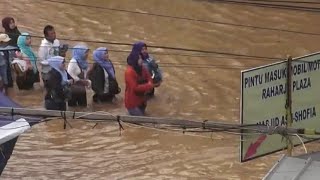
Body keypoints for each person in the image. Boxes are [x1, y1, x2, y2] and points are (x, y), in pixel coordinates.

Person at [125, 49, 159, 116]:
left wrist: (150, 83)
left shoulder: (142, 68)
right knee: (142, 122)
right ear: (135, 60)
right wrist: (149, 85)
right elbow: (135, 87)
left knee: (143, 116)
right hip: (132, 103)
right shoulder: (129, 72)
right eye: (139, 58)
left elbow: (148, 77)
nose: (141, 60)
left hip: (142, 100)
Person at [1, 17, 21, 87]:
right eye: (10, 23)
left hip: (17, 51)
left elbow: (20, 37)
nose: (12, 24)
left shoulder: (15, 30)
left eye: (13, 22)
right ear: (6, 25)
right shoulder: (7, 35)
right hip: (12, 54)